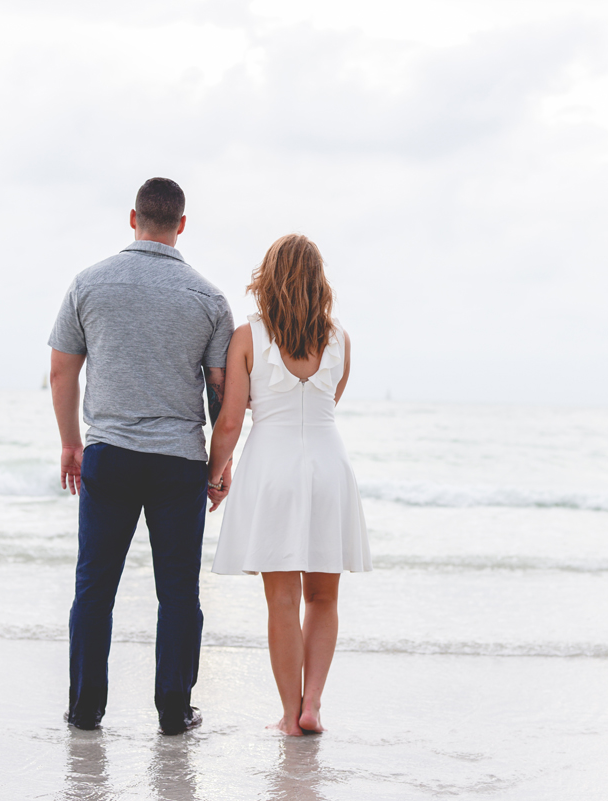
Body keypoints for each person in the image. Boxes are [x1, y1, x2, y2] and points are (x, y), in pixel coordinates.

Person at [48, 177, 235, 735]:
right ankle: (174, 712)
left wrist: (70, 443)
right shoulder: (208, 299)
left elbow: (62, 369)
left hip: (109, 454)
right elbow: (222, 395)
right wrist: (220, 469)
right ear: (180, 224)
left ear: (133, 219)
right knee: (178, 591)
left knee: (94, 586)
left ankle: (85, 709)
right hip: (178, 462)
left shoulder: (90, 283)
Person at [207, 234, 370, 736]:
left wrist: (213, 474)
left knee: (282, 599)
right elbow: (329, 402)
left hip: (271, 468)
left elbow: (231, 420)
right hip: (329, 468)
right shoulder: (341, 339)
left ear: (268, 278)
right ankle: (313, 704)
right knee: (325, 596)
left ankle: (288, 713)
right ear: (320, 282)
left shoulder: (246, 337)